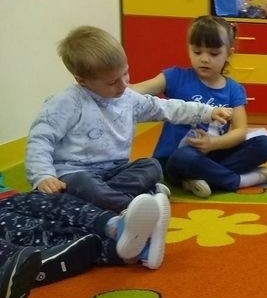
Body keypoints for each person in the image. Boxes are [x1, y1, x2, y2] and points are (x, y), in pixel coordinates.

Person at [25, 25, 232, 213]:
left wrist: (207, 112)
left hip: (116, 172)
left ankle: (99, 200)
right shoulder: (67, 102)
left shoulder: (128, 98)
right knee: (82, 184)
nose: (124, 84)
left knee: (152, 166)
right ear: (82, 80)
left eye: (125, 73)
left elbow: (165, 107)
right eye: (112, 82)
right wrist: (43, 175)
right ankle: (131, 206)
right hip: (76, 173)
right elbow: (40, 139)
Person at [131, 16, 267, 198]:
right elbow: (137, 90)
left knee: (264, 144)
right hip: (176, 159)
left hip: (211, 154)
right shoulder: (175, 76)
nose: (204, 59)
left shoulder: (234, 89)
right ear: (189, 50)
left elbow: (240, 130)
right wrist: (111, 85)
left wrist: (213, 144)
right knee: (183, 158)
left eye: (213, 54)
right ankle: (239, 180)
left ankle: (201, 178)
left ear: (228, 53)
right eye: (197, 52)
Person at [0, 189, 170, 298]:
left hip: (9, 198)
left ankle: (116, 226)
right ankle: (134, 249)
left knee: (51, 201)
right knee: (37, 231)